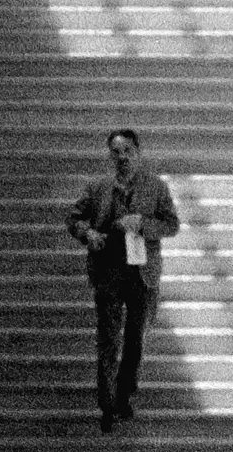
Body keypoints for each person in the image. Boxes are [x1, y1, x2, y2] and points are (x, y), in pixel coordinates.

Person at [64, 126, 182, 432]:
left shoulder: (155, 187)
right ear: (109, 156)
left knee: (135, 340)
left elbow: (172, 225)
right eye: (116, 152)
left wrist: (143, 223)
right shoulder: (97, 188)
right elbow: (73, 218)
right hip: (109, 271)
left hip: (143, 274)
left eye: (127, 151)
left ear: (138, 153)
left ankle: (125, 394)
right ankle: (107, 405)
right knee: (108, 338)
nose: (122, 158)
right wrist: (88, 234)